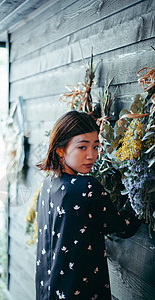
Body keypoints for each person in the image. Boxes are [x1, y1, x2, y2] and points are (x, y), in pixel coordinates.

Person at [35, 111, 140, 300]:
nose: (92, 155)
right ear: (60, 150)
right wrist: (138, 190)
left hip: (47, 292)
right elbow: (123, 227)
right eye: (82, 147)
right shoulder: (86, 188)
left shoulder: (47, 186)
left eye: (96, 147)